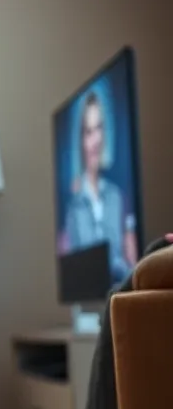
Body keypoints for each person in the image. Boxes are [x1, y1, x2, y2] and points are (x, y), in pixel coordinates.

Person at [63, 89, 138, 282]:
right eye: (88, 132)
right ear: (80, 140)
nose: (96, 140)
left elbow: (129, 263)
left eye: (99, 128)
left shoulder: (117, 196)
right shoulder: (73, 206)